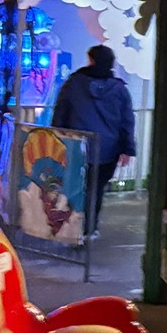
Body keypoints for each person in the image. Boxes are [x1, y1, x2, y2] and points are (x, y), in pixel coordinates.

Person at [51, 45, 136, 235]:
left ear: (93, 60)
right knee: (96, 190)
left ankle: (73, 228)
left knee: (75, 188)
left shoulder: (74, 83)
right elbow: (127, 121)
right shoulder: (119, 89)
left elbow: (61, 112)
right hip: (107, 150)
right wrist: (127, 149)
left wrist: (57, 138)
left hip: (75, 147)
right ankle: (90, 229)